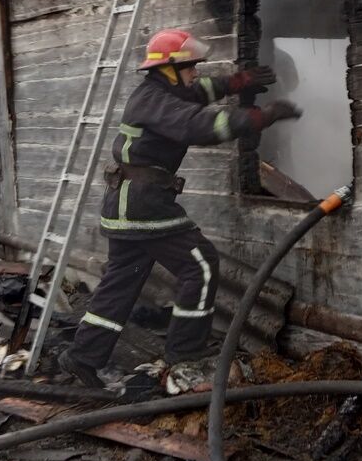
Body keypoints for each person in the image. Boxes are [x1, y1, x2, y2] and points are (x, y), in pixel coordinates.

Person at [58, 28, 301, 388]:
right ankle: (185, 349)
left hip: (128, 203)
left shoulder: (163, 91)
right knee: (200, 265)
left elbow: (198, 93)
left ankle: (82, 357)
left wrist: (236, 82)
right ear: (169, 69)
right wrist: (257, 118)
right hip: (143, 203)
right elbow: (197, 125)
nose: (195, 74)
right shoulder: (154, 101)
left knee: (121, 282)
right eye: (189, 67)